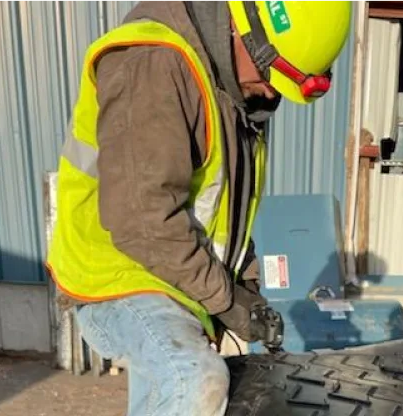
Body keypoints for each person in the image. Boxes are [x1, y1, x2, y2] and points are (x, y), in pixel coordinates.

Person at [45, 0, 350, 414]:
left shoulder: (233, 92)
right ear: (245, 32)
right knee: (193, 379)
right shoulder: (154, 65)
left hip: (172, 275)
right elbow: (143, 221)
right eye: (270, 73)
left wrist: (248, 284)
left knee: (167, 393)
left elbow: (224, 213)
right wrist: (225, 299)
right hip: (120, 274)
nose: (273, 90)